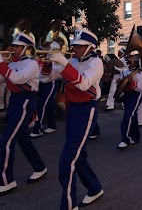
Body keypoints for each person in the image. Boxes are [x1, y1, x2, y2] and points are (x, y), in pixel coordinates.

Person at [41, 28, 104, 209]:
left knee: (68, 160)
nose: (74, 49)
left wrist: (64, 63)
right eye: (74, 46)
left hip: (86, 110)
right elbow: (46, 78)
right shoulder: (72, 61)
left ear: (89, 47)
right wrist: (48, 61)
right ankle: (94, 187)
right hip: (72, 108)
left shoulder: (96, 62)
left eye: (78, 46)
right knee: (78, 155)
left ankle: (68, 204)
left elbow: (84, 83)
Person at [0, 33, 48, 195]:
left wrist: (2, 64)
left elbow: (18, 79)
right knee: (23, 139)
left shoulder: (31, 64)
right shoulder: (14, 63)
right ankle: (39, 167)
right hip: (15, 101)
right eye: (12, 46)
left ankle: (6, 181)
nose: (12, 49)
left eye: (16, 46)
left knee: (6, 141)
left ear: (26, 48)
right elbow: (5, 78)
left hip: (24, 102)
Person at [30, 41, 61, 138]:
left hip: (49, 83)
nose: (41, 51)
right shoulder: (37, 58)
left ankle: (38, 129)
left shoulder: (54, 59)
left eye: (45, 48)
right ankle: (52, 125)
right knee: (49, 105)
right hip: (40, 83)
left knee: (41, 105)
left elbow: (54, 72)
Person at [117, 54, 142, 149]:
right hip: (127, 95)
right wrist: (120, 82)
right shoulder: (125, 71)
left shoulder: (140, 74)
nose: (128, 63)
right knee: (132, 116)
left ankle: (126, 139)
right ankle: (136, 137)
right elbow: (122, 83)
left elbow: (140, 89)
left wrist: (131, 82)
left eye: (130, 62)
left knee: (128, 115)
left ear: (136, 63)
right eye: (128, 61)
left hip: (135, 95)